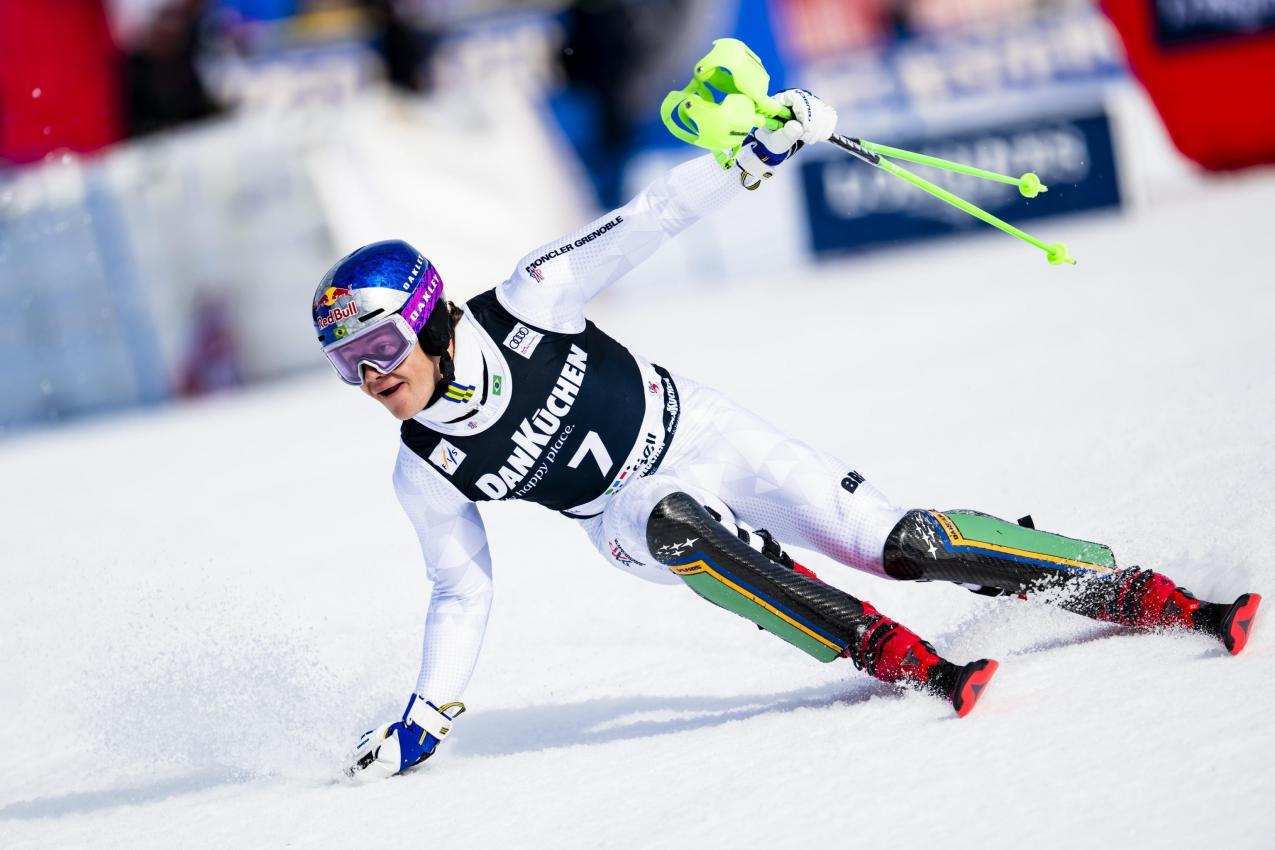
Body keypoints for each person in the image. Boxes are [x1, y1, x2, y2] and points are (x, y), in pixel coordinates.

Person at [312, 90, 1262, 782]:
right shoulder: (426, 470)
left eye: (381, 343)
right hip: (624, 518)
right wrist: (427, 713)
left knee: (903, 545)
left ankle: (1132, 588)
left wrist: (755, 153)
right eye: (347, 364)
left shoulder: (531, 300)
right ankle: (887, 653)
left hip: (706, 429)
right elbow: (458, 586)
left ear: (431, 318)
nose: (371, 377)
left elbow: (653, 216)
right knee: (675, 521)